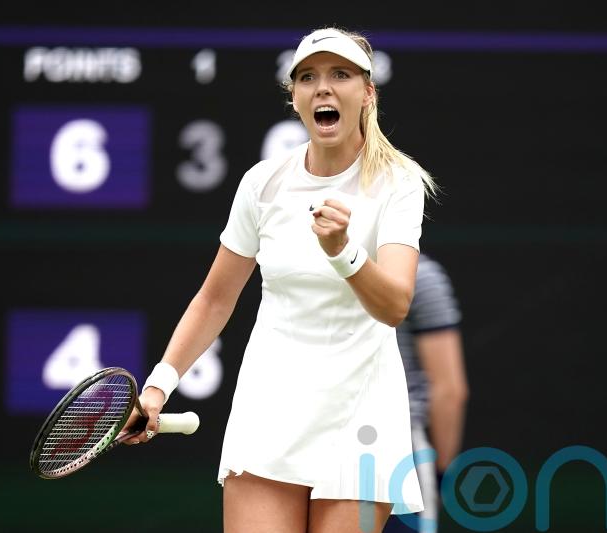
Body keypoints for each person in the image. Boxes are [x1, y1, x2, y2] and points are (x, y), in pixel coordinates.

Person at [124, 26, 437, 533]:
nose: (324, 88)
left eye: (341, 74)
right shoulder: (262, 183)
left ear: (367, 92)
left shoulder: (399, 184)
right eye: (308, 77)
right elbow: (214, 300)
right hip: (268, 411)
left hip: (362, 417)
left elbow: (395, 304)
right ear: (295, 98)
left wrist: (344, 252)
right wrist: (158, 388)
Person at [383, 254, 468, 533]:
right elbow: (450, 390)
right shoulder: (423, 274)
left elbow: (450, 392)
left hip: (314, 445)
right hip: (398, 453)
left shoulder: (300, 271)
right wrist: (441, 475)